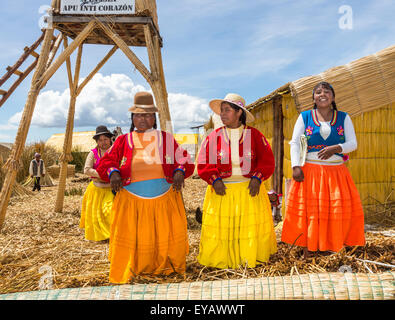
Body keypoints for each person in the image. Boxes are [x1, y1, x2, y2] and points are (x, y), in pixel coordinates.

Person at [96, 91, 195, 284]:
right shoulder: (124, 141)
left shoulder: (165, 139)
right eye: (139, 115)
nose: (143, 119)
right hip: (132, 200)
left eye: (148, 115)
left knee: (162, 237)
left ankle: (165, 267)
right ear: (133, 118)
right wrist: (113, 172)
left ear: (154, 118)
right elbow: (105, 163)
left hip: (164, 198)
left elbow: (184, 159)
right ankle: (136, 267)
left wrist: (179, 170)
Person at [281, 81, 365, 258]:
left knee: (333, 211)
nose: (322, 94)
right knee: (311, 212)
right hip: (310, 172)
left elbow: (353, 144)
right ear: (313, 97)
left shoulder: (343, 118)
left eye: (326, 91)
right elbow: (295, 142)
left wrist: (336, 148)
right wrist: (295, 166)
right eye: (318, 92)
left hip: (336, 172)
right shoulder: (305, 117)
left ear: (333, 97)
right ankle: (309, 247)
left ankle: (332, 245)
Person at [197, 93, 277, 269]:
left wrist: (258, 177)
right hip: (222, 191)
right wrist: (214, 179)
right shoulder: (213, 136)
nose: (222, 114)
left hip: (249, 191)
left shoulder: (254, 135)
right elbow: (203, 161)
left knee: (248, 228)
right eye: (221, 111)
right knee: (222, 230)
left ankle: (248, 258)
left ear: (239, 113)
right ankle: (222, 261)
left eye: (227, 110)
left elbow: (267, 161)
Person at [80, 125, 115, 242]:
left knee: (110, 211)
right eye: (100, 140)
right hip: (97, 189)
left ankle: (113, 234)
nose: (103, 142)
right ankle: (102, 236)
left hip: (112, 189)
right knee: (97, 216)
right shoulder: (93, 153)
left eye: (105, 139)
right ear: (97, 141)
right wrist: (103, 174)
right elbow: (86, 169)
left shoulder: (116, 152)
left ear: (110, 139)